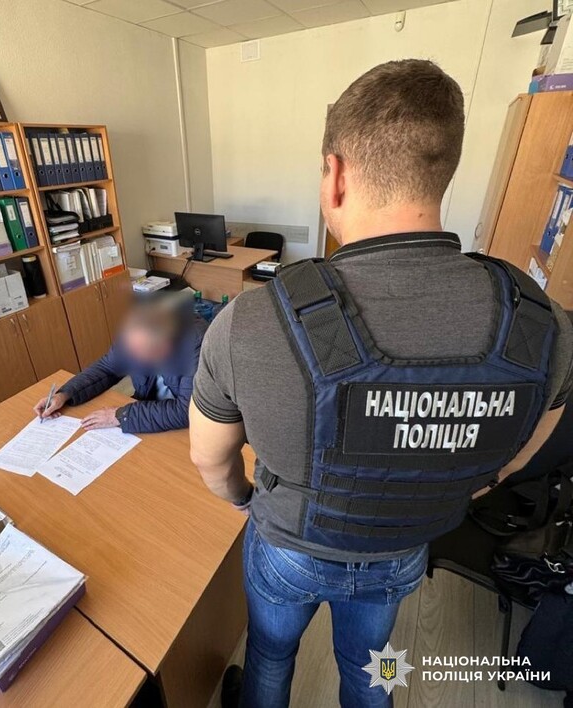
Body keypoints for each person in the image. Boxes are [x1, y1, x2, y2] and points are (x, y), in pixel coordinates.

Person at [189, 59, 573, 708]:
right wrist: (452, 482)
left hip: (288, 546)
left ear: (335, 175)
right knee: (375, 669)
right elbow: (519, 454)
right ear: (443, 171)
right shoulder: (544, 325)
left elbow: (210, 460)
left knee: (271, 657)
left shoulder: (250, 321)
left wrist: (242, 500)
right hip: (403, 553)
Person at [34, 300, 207, 433]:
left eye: (141, 351)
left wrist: (121, 415)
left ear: (165, 346)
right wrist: (65, 394)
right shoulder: (135, 335)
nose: (132, 356)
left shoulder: (199, 345)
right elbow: (107, 367)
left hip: (188, 425)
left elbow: (187, 411)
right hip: (147, 412)